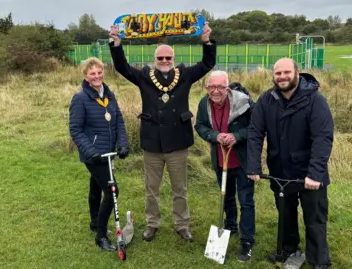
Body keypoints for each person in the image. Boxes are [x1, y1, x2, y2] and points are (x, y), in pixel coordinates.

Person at [108, 22, 216, 242]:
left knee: (180, 188)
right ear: (154, 60)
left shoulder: (184, 75)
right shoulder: (144, 77)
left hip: (178, 142)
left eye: (168, 58)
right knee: (152, 189)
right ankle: (152, 224)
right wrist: (117, 44)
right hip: (152, 143)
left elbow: (208, 63)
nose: (165, 61)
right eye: (160, 58)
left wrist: (206, 41)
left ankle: (182, 224)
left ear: (173, 59)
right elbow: (122, 67)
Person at [246, 58, 334, 269]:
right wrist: (253, 166)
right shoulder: (267, 99)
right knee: (286, 214)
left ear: (297, 73)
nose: (282, 77)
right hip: (280, 170)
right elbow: (255, 133)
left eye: (286, 72)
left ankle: (319, 260)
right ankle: (289, 249)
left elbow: (322, 138)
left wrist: (314, 174)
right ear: (273, 76)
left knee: (315, 218)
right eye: (278, 73)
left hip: (309, 173)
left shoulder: (314, 100)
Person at [69, 57, 130, 251]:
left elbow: (118, 120)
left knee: (96, 186)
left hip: (109, 152)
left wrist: (123, 143)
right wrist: (91, 151)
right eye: (92, 74)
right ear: (86, 77)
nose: (97, 76)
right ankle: (101, 235)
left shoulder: (109, 94)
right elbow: (76, 130)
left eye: (99, 72)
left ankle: (95, 222)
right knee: (112, 191)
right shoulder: (80, 99)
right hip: (94, 155)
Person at [194, 70, 255, 262]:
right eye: (212, 87)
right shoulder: (204, 103)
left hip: (243, 161)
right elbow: (200, 126)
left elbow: (255, 128)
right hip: (221, 161)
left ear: (227, 88)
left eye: (220, 87)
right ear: (207, 88)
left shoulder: (243, 102)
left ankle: (247, 241)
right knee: (227, 197)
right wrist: (215, 136)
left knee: (245, 201)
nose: (216, 91)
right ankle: (230, 227)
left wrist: (236, 136)